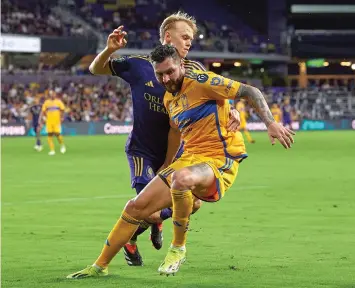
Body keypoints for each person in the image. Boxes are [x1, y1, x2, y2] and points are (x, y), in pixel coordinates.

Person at [66, 44, 295, 279]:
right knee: (134, 207)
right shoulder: (169, 99)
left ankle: (177, 248)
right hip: (188, 159)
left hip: (219, 159)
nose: (165, 78)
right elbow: (175, 133)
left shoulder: (202, 81)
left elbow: (249, 91)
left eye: (170, 72)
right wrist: (166, 165)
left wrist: (270, 123)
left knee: (181, 179)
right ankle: (100, 266)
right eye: (160, 74)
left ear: (181, 66)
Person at [88, 12, 240, 266]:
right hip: (142, 151)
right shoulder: (139, 65)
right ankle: (140, 233)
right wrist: (108, 50)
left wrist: (232, 108)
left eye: (192, 39)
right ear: (168, 37)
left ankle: (137, 234)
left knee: (193, 206)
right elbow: (96, 69)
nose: (190, 43)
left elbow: (221, 93)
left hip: (178, 153)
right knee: (147, 208)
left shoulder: (194, 71)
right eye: (185, 37)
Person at [39, 91, 66, 156]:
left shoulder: (58, 102)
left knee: (57, 134)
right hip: (49, 121)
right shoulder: (46, 102)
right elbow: (43, 111)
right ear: (49, 95)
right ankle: (52, 150)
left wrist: (62, 117)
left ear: (55, 95)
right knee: (49, 134)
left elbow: (63, 110)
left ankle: (62, 145)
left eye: (53, 94)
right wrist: (41, 119)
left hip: (56, 121)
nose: (52, 95)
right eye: (51, 94)